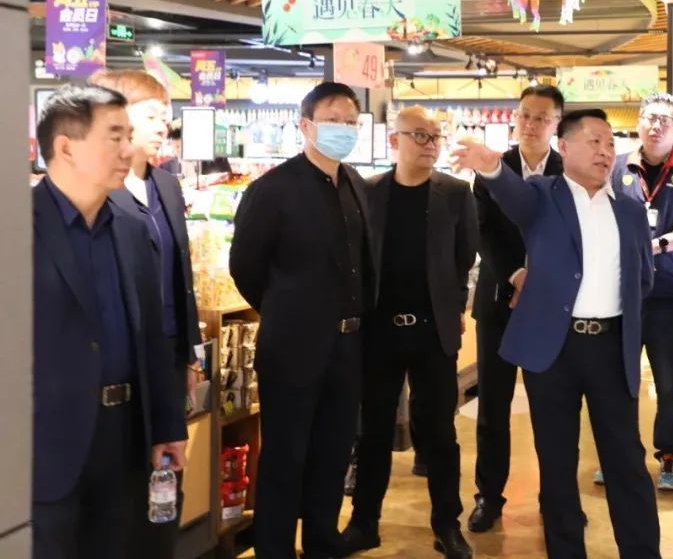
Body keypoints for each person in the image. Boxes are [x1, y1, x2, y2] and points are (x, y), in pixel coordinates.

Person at [452, 109, 662, 559]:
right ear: (563, 147)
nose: (605, 151)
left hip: (612, 347)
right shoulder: (542, 196)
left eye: (610, 143)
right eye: (593, 141)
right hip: (555, 349)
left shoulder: (629, 209)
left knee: (626, 460)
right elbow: (509, 193)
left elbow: (643, 278)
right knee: (557, 463)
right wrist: (490, 165)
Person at [32, 85, 187, 559]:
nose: (127, 149)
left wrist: (167, 425)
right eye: (114, 136)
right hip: (44, 448)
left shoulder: (131, 230)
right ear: (65, 147)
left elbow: (153, 338)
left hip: (125, 439)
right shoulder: (18, 228)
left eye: (128, 135)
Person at [229, 82, 372, 559]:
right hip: (292, 347)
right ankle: (274, 549)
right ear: (306, 126)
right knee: (285, 456)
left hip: (348, 346)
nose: (344, 129)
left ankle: (322, 542)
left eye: (351, 122)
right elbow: (245, 267)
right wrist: (287, 310)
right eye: (333, 120)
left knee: (333, 453)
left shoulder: (354, 184)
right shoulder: (272, 190)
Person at [344, 106, 478, 559]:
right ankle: (364, 523)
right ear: (394, 140)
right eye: (419, 135)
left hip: (432, 331)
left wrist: (453, 305)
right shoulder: (368, 192)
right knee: (373, 430)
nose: (429, 144)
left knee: (439, 432)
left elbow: (464, 256)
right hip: (379, 330)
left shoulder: (455, 193)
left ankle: (447, 525)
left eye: (435, 136)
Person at [90, 70, 203, 559]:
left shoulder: (166, 186)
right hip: (120, 364)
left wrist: (191, 353)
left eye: (167, 116)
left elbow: (182, 275)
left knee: (166, 482)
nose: (164, 126)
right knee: (123, 487)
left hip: (168, 358)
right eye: (154, 115)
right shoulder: (98, 191)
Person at [468, 85, 564, 532]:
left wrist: (540, 276)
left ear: (556, 123)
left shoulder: (568, 170)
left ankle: (557, 498)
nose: (530, 124)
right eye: (525, 114)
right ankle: (488, 497)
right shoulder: (493, 167)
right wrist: (516, 273)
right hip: (498, 302)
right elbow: (482, 232)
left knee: (554, 407)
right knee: (493, 406)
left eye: (541, 117)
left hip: (551, 309)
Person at [608, 92, 673, 491]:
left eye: (664, 120)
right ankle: (619, 457)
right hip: (621, 293)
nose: (656, 126)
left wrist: (656, 245)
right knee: (618, 380)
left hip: (669, 292)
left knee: (670, 383)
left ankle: (670, 456)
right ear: (638, 123)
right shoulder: (617, 167)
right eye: (650, 118)